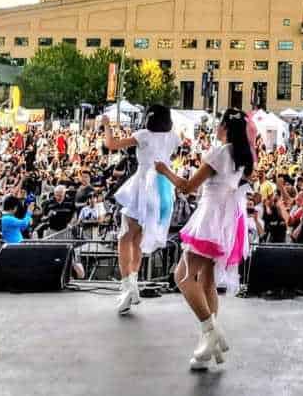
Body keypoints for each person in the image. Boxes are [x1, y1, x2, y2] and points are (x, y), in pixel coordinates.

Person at [158, 108, 254, 371]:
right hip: (224, 220)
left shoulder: (221, 152)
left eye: (219, 123)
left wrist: (165, 170)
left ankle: (210, 330)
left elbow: (188, 187)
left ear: (225, 127)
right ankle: (208, 343)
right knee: (208, 281)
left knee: (182, 276)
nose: (216, 128)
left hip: (210, 218)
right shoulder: (241, 155)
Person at [104, 104, 179, 315]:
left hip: (144, 186)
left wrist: (106, 126)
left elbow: (111, 144)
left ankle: (127, 286)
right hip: (163, 188)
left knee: (124, 237)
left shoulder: (144, 134)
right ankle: (134, 284)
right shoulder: (173, 137)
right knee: (137, 239)